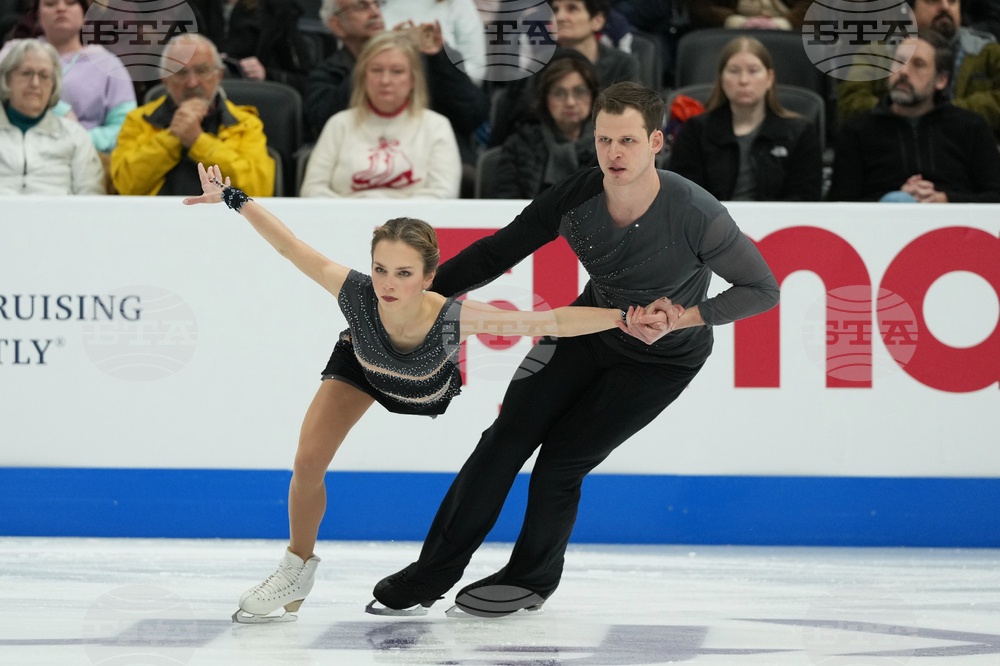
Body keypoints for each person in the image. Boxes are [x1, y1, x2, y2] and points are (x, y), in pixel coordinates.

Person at [181, 161, 665, 623]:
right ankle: (295, 572)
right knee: (307, 462)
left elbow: (553, 319)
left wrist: (622, 317)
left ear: (430, 277)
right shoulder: (356, 293)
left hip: (423, 387)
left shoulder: (453, 316)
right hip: (363, 366)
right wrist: (230, 197)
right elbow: (290, 246)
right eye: (381, 269)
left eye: (404, 273)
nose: (387, 285)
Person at [371, 81, 780, 618]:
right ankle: (430, 575)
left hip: (663, 361)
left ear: (656, 142)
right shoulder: (577, 195)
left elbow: (763, 291)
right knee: (504, 440)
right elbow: (497, 251)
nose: (614, 153)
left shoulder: (695, 211)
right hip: (585, 331)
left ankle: (531, 580)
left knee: (562, 461)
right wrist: (422, 297)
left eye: (628, 141)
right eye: (604, 139)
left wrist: (685, 316)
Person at [304, 0, 488, 164]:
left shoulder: (418, 62)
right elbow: (324, 122)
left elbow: (472, 114)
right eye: (361, 6)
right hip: (357, 163)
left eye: (377, 3)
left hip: (427, 159)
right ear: (337, 25)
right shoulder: (327, 74)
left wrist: (438, 58)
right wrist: (372, 61)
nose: (375, 12)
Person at [829, 29, 1000, 203]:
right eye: (899, 61)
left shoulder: (972, 128)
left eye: (918, 64)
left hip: (956, 226)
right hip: (879, 225)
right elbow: (839, 207)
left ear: (941, 80)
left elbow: (995, 197)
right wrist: (890, 202)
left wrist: (945, 200)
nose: (904, 72)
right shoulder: (857, 131)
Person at [300, 31, 461, 198]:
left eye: (397, 71)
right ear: (363, 76)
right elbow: (312, 189)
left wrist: (397, 222)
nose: (385, 80)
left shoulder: (436, 126)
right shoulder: (339, 124)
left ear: (414, 79)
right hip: (347, 220)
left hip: (413, 223)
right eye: (376, 70)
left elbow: (443, 193)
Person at [110, 33, 274, 197]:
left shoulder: (245, 123)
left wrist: (197, 141)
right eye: (181, 73)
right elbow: (125, 186)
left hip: (222, 219)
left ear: (219, 75)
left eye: (202, 71)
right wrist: (173, 137)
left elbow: (259, 190)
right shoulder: (138, 120)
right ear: (165, 80)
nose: (192, 83)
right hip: (158, 218)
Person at [667, 36, 821, 201]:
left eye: (753, 70)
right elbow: (685, 197)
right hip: (711, 223)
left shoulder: (800, 133)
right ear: (721, 79)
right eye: (733, 71)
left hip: (779, 224)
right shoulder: (695, 131)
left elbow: (804, 198)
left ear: (769, 78)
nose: (743, 80)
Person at [837, 0, 1000, 136]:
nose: (945, 6)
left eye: (952, 1)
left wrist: (940, 114)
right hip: (894, 150)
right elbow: (851, 103)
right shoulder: (876, 54)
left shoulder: (987, 52)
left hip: (968, 152)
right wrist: (905, 114)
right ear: (910, 11)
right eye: (933, 0)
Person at [0, 0, 136, 153]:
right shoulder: (15, 52)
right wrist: (59, 109)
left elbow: (126, 126)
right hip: (16, 152)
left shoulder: (110, 64)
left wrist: (77, 139)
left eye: (71, 3)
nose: (61, 9)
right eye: (50, 4)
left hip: (89, 157)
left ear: (85, 13)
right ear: (38, 15)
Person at [0, 38, 103, 194]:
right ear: (6, 79)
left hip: (60, 217)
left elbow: (91, 195)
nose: (35, 83)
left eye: (44, 76)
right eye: (26, 73)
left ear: (53, 85)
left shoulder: (74, 135)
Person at [493, 55, 599, 199]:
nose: (570, 102)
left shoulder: (607, 146)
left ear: (592, 96)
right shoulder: (520, 146)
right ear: (545, 99)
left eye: (579, 91)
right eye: (559, 93)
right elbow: (505, 208)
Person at [185, 0, 316, 95]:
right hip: (201, 96)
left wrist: (266, 74)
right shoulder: (193, 8)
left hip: (257, 99)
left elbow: (305, 81)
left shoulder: (277, 12)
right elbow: (170, 67)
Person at [380, 0, 486, 82]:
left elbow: (476, 69)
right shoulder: (373, 5)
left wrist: (439, 56)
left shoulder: (457, 4)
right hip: (385, 94)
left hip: (444, 100)